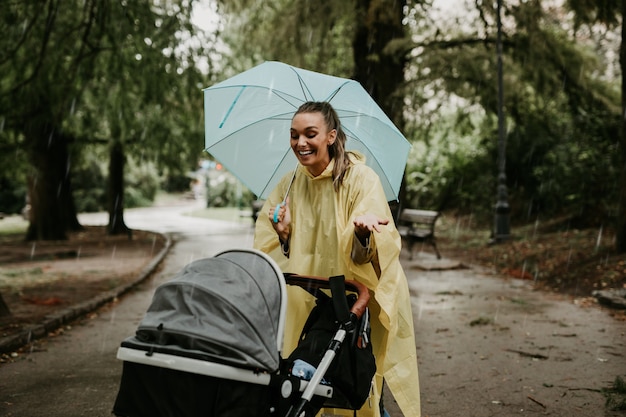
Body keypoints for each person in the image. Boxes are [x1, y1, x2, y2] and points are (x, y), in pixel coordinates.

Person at [254, 101, 421, 417]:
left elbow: (371, 255)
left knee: (354, 390)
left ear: (331, 136)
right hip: (307, 306)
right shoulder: (289, 184)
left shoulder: (361, 180)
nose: (300, 143)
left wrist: (362, 234)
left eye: (310, 134)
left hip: (352, 307)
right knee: (304, 385)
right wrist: (283, 234)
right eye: (294, 135)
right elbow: (273, 251)